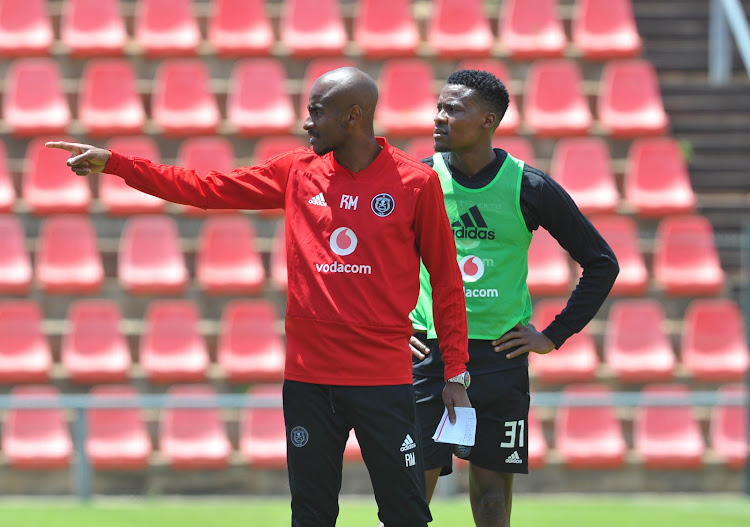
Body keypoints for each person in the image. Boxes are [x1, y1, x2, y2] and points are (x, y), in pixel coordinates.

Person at [47, 67, 472, 527]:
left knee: (405, 514)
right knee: (311, 515)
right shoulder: (296, 172)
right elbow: (205, 188)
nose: (307, 123)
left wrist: (455, 373)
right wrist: (117, 163)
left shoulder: (415, 183)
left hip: (383, 383)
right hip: (310, 383)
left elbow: (447, 283)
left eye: (316, 112)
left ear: (353, 116)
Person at [408, 69, 619, 527]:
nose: (439, 118)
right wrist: (395, 323)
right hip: (430, 356)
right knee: (408, 504)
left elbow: (602, 262)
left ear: (488, 120)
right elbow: (374, 262)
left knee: (491, 506)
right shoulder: (417, 179)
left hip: (499, 360)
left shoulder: (529, 185)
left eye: (453, 109)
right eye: (439, 107)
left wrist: (553, 335)